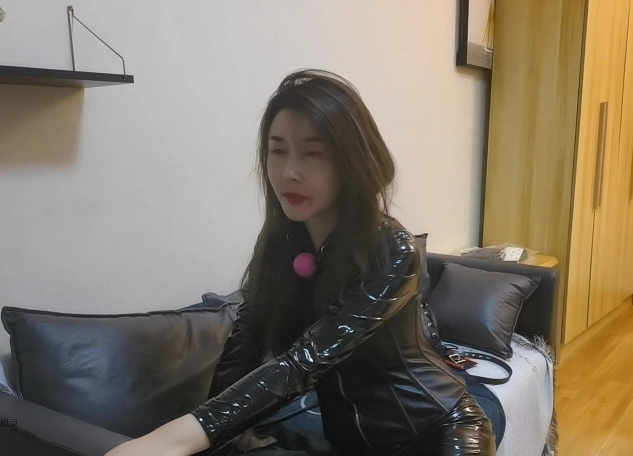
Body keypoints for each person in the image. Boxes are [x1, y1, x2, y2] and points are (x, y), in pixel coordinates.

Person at [106, 69, 495, 456]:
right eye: (278, 151)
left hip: (441, 433)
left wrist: (170, 441)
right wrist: (214, 443)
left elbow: (306, 361)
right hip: (351, 442)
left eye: (313, 153)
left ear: (352, 161)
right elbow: (243, 348)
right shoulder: (280, 245)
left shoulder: (393, 250)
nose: (289, 173)